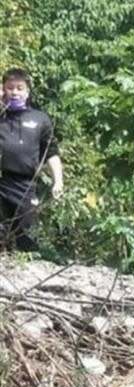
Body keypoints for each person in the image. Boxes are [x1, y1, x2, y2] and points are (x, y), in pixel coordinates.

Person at [0, 68, 63, 251]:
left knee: (28, 237)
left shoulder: (40, 119)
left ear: (27, 92)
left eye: (20, 88)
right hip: (1, 182)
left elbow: (51, 153)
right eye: (10, 88)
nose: (15, 92)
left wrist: (57, 181)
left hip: (25, 185)